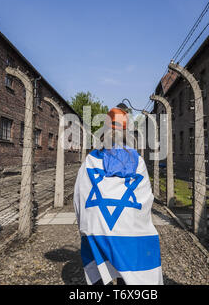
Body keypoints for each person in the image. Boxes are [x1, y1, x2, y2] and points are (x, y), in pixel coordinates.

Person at [73, 106, 163, 285]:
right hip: (130, 232)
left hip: (97, 230)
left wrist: (86, 225)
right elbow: (145, 198)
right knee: (129, 272)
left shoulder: (91, 160)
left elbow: (80, 196)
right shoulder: (138, 162)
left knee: (99, 269)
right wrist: (136, 221)